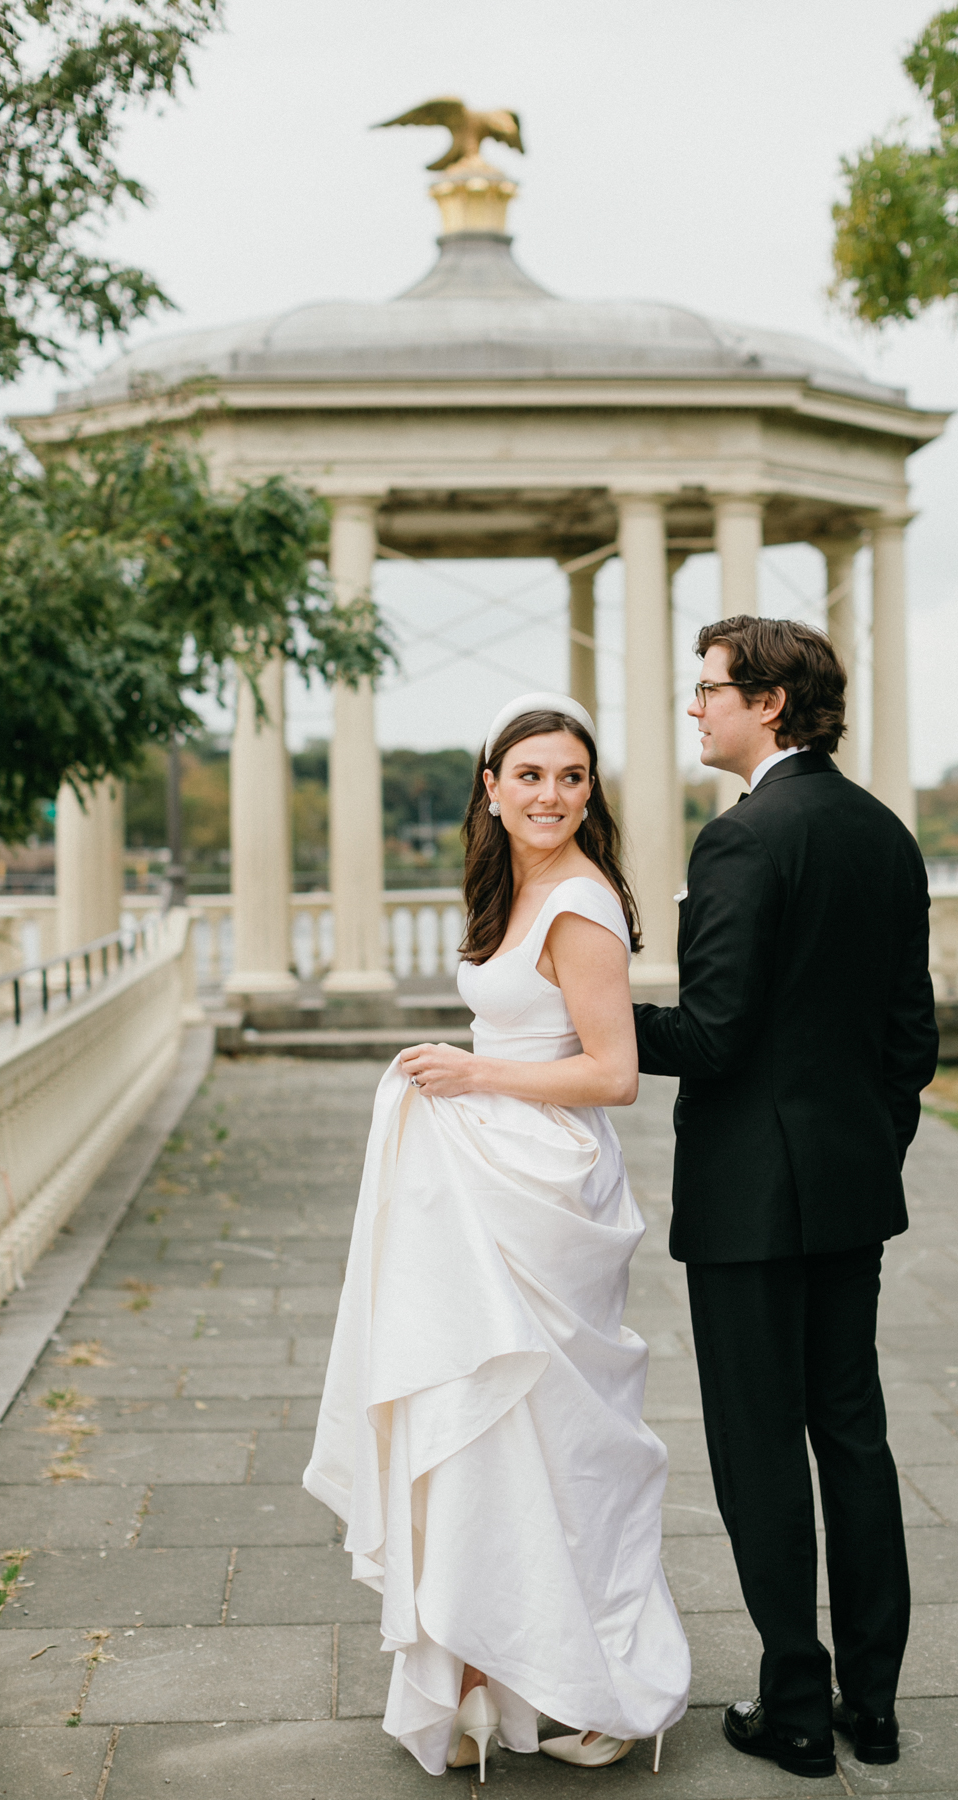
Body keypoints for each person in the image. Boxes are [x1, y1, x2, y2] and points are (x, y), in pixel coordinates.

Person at [304, 692, 690, 1781]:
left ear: (589, 791)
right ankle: (481, 1668)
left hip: (546, 1188)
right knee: (471, 1429)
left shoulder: (580, 904)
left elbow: (612, 1075)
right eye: (531, 776)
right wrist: (464, 1080)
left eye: (571, 777)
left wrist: (476, 1073)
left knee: (557, 1443)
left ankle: (598, 1681)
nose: (552, 795)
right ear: (492, 786)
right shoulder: (507, 884)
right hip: (483, 1176)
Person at [633, 616, 939, 1780]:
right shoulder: (885, 834)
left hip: (748, 1203)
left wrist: (592, 1023)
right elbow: (913, 1038)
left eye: (709, 690)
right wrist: (866, 1148)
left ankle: (797, 1710)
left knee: (759, 1446)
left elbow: (712, 1036)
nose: (695, 709)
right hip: (851, 1190)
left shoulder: (742, 841)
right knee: (852, 1434)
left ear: (769, 703)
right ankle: (877, 1705)